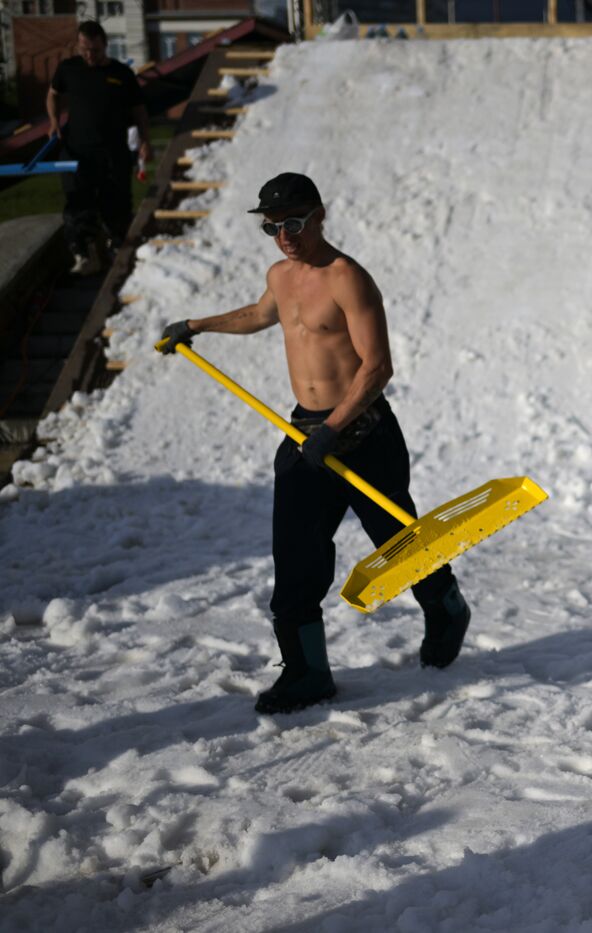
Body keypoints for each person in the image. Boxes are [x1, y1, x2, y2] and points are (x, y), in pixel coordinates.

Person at [158, 173, 471, 715]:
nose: (285, 236)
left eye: (295, 223)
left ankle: (445, 607)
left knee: (400, 543)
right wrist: (195, 324)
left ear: (319, 215)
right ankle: (307, 673)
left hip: (364, 432)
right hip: (306, 433)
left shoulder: (347, 277)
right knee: (296, 554)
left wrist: (334, 430)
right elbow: (259, 315)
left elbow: (378, 367)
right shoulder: (280, 275)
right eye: (273, 227)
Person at [46, 21, 150, 276]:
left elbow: (139, 110)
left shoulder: (122, 74)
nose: (89, 56)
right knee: (78, 205)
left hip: (113, 152)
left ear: (105, 45)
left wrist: (145, 140)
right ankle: (83, 255)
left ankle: (118, 255)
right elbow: (52, 94)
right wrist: (53, 121)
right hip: (77, 152)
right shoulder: (68, 69)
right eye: (84, 50)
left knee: (116, 206)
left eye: (95, 50)